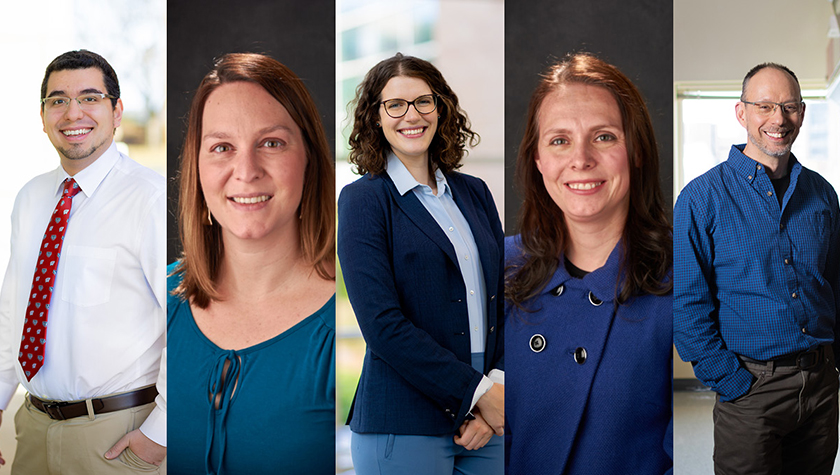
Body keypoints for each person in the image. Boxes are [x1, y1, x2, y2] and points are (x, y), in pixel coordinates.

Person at [167, 53, 335, 474]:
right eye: (222, 147)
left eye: (271, 143)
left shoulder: (357, 318)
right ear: (198, 169)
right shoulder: (156, 298)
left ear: (308, 158)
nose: (246, 171)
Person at [504, 53, 673, 474]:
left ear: (635, 151)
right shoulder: (496, 268)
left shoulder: (687, 276)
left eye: (603, 137)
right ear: (538, 160)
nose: (580, 159)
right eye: (559, 140)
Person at [337, 53, 505, 475]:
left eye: (423, 101)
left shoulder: (475, 193)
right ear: (375, 117)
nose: (411, 115)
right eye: (395, 104)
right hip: (402, 421)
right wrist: (477, 392)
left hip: (486, 423)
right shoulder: (363, 201)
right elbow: (382, 325)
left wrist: (495, 390)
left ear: (441, 107)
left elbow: (503, 298)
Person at [0, 50, 166, 473]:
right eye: (57, 100)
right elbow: (12, 315)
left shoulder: (152, 199)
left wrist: (160, 434)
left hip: (114, 436)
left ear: (117, 111)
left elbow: (186, 322)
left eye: (90, 98)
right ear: (42, 116)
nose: (73, 112)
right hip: (32, 426)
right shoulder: (29, 198)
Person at [674, 63, 840, 474]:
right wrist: (732, 383)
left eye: (789, 107)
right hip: (750, 390)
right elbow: (687, 305)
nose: (778, 120)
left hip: (821, 386)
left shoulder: (822, 194)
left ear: (803, 112)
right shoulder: (700, 198)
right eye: (765, 106)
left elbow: (834, 285)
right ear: (741, 112)